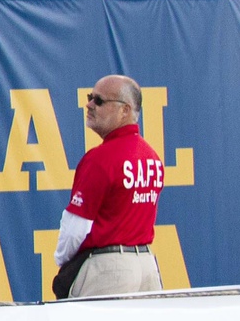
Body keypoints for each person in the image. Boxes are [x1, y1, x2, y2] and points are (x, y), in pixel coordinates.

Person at [51, 74, 165, 299]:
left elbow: (75, 228)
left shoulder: (101, 158)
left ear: (125, 110)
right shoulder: (151, 157)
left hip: (110, 269)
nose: (90, 105)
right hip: (146, 266)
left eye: (99, 101)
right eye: (90, 97)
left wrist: (63, 261)